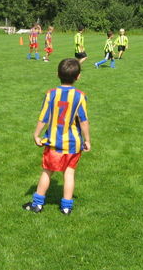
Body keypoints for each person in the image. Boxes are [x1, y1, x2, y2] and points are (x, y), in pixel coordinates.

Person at [22, 58, 91, 215]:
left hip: (53, 143)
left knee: (47, 172)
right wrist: (87, 140)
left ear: (57, 74)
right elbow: (84, 120)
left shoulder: (51, 94)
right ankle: (66, 207)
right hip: (73, 143)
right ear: (78, 76)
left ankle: (37, 204)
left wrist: (36, 134)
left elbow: (44, 117)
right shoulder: (80, 96)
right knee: (69, 173)